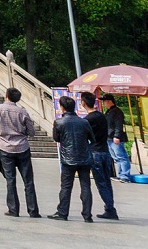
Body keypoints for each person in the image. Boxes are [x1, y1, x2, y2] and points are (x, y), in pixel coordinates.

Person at [0, 87, 40, 218]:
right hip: (22, 147)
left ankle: (13, 209)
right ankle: (33, 210)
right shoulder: (22, 111)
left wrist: (3, 132)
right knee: (28, 181)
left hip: (5, 147)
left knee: (10, 180)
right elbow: (32, 132)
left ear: (6, 95)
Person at [52, 94, 95, 222]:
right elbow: (92, 138)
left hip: (68, 158)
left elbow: (56, 138)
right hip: (84, 157)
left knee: (66, 186)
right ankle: (87, 215)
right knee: (86, 186)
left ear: (62, 107)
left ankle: (63, 212)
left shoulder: (59, 122)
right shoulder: (84, 121)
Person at [81, 91, 119, 219]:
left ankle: (110, 209)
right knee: (107, 182)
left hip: (95, 152)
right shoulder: (102, 116)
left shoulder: (87, 120)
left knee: (101, 183)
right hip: (105, 151)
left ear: (83, 103)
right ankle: (109, 207)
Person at [102, 92, 132, 182]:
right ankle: (121, 174)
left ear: (110, 101)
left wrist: (117, 136)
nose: (104, 103)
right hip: (109, 137)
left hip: (115, 137)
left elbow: (119, 125)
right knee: (116, 157)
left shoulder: (117, 112)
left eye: (105, 101)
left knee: (121, 156)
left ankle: (125, 175)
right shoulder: (109, 112)